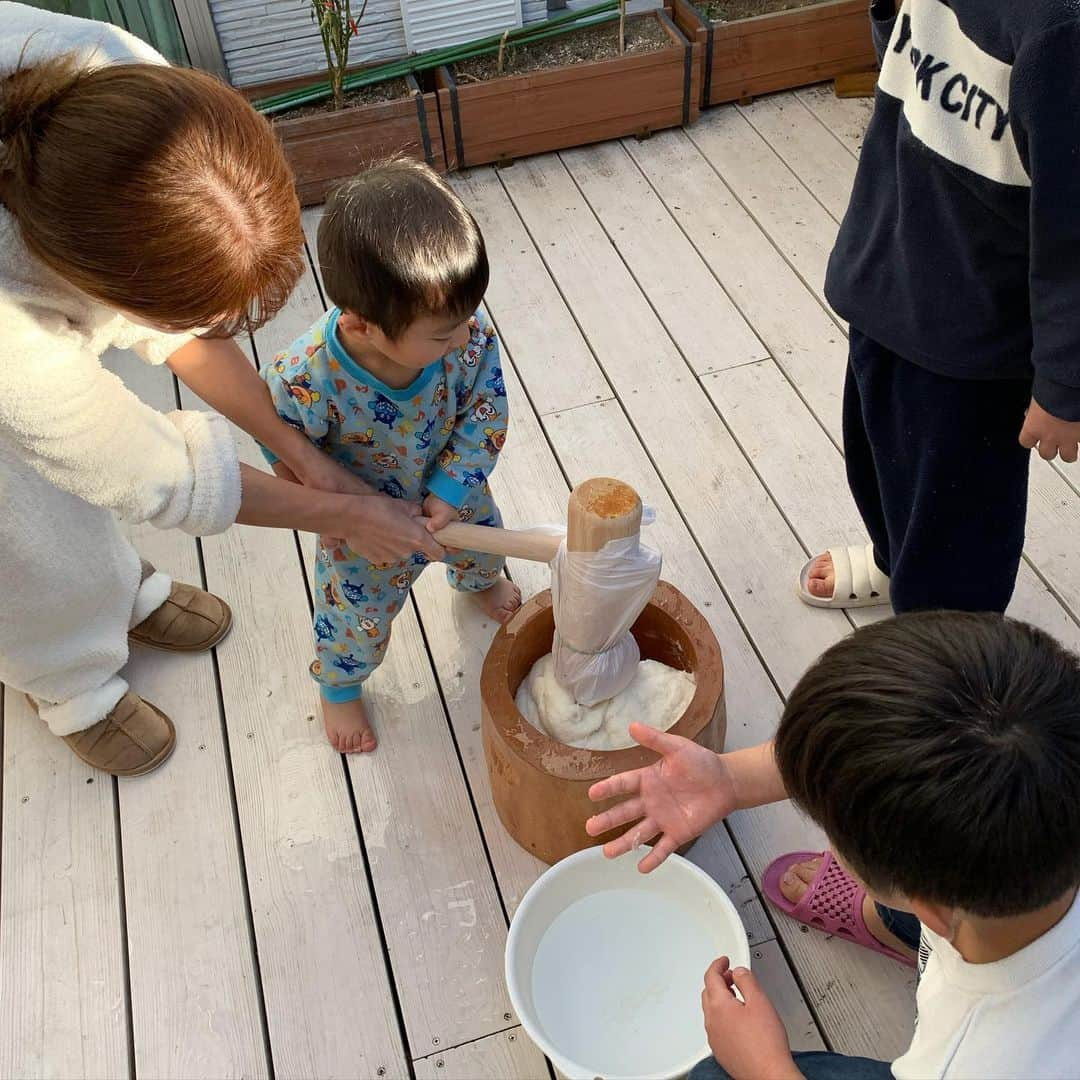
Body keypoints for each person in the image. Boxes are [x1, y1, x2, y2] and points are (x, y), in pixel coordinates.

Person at [0, 3, 444, 776]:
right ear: (96, 277)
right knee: (22, 524)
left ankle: (121, 591)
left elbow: (183, 335)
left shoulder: (125, 80)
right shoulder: (13, 331)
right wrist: (344, 511)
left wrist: (300, 453)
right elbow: (148, 472)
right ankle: (65, 677)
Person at [588, 613, 1080, 1079]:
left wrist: (765, 1068)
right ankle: (896, 924)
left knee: (717, 1073)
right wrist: (732, 780)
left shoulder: (973, 1061)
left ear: (931, 909)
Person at [800, 0, 1080, 613]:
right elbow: (909, 80)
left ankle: (949, 672)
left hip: (974, 346)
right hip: (885, 271)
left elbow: (1072, 233)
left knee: (959, 543)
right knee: (879, 465)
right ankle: (895, 559)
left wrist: (1064, 384)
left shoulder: (1061, 31)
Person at [260, 160, 520, 754]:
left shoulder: (467, 335)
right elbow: (283, 451)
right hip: (363, 526)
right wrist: (323, 515)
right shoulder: (304, 376)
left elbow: (486, 413)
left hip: (452, 490)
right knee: (355, 615)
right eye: (442, 332)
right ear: (361, 324)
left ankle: (476, 583)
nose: (464, 337)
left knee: (484, 542)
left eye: (466, 317)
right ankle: (340, 683)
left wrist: (451, 492)